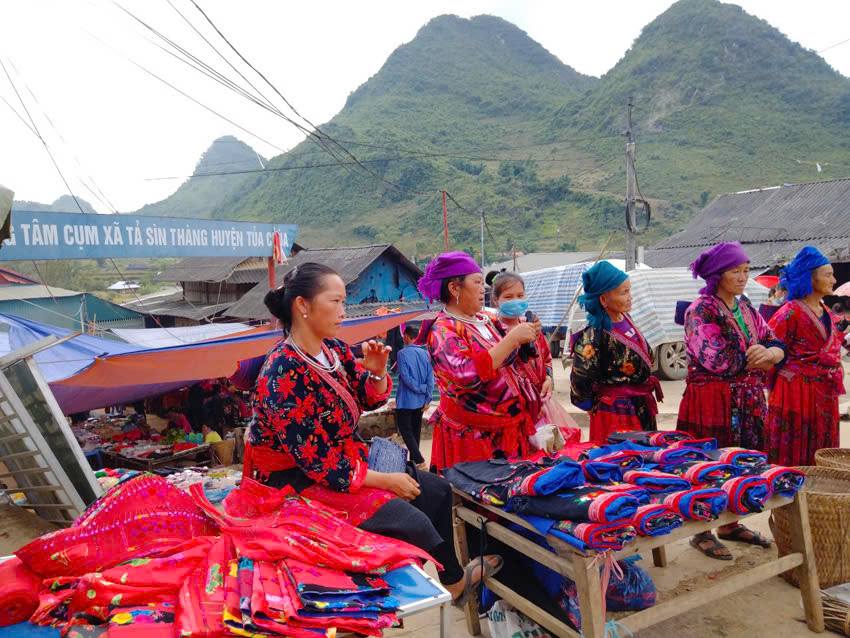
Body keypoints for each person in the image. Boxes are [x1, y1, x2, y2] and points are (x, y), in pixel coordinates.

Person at [245, 262, 501, 603]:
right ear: (302, 305)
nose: (343, 311)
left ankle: (452, 581)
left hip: (340, 461)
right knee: (413, 522)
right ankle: (403, 591)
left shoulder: (333, 349)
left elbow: (368, 397)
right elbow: (315, 462)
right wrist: (384, 480)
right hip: (296, 478)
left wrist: (378, 374)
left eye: (343, 301)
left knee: (438, 490)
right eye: (335, 301)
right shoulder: (282, 371)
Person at [678, 242, 785, 560]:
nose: (742, 276)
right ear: (717, 274)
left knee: (741, 462)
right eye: (735, 271)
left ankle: (730, 523)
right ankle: (702, 531)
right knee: (709, 465)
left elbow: (774, 341)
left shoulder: (746, 308)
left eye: (746, 270)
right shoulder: (700, 311)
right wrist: (765, 358)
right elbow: (720, 360)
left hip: (747, 401)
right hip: (713, 401)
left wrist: (773, 352)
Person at [417, 252, 542, 471]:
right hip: (475, 439)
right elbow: (465, 376)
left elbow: (508, 358)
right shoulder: (443, 329)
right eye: (476, 282)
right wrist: (512, 339)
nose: (483, 289)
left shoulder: (488, 320)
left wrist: (526, 335)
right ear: (454, 288)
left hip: (509, 431)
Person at [766, 247, 846, 466]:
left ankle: (819, 483)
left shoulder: (826, 311)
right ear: (810, 278)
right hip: (795, 392)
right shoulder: (789, 313)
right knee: (794, 450)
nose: (834, 280)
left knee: (822, 449)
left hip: (825, 392)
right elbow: (769, 353)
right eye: (828, 275)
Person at [569, 261, 662, 444]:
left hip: (640, 405)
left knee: (645, 456)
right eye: (624, 292)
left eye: (629, 291)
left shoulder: (626, 318)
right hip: (616, 412)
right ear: (604, 300)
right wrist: (593, 405)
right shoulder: (594, 335)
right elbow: (580, 378)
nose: (630, 297)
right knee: (621, 456)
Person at [487, 269, 580, 442]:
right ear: (496, 300)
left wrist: (548, 379)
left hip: (540, 407)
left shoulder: (532, 328)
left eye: (520, 295)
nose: (516, 301)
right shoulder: (491, 333)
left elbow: (546, 358)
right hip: (511, 411)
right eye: (508, 297)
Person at [395, 323, 434, 469]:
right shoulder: (425, 354)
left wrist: (419, 388)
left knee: (405, 430)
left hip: (406, 401)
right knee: (415, 431)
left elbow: (406, 377)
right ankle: (414, 462)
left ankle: (419, 459)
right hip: (421, 401)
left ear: (406, 336)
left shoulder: (402, 354)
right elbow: (431, 378)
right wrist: (427, 397)